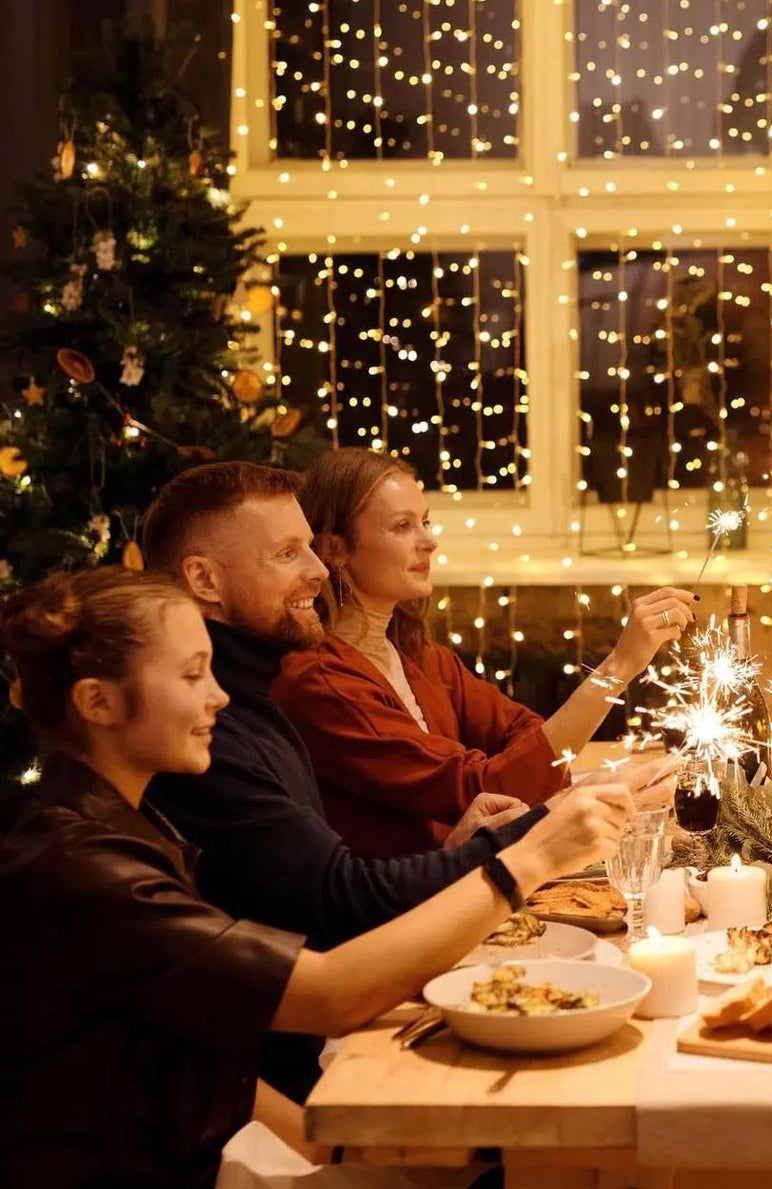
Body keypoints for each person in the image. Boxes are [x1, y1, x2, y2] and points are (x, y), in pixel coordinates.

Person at [0, 567, 634, 1187]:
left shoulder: (129, 824)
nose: (218, 697)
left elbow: (204, 1053)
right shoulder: (84, 867)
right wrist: (527, 860)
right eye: (192, 675)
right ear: (99, 702)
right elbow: (330, 995)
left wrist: (331, 1146)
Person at [131, 460, 625, 1103]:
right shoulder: (233, 723)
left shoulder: (276, 690)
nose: (317, 570)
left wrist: (467, 847)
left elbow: (328, 885)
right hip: (310, 1063)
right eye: (288, 552)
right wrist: (535, 845)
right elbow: (338, 910)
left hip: (337, 1027)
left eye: (310, 547)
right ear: (203, 579)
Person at [271, 447, 693, 856]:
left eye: (425, 522)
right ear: (335, 549)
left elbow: (525, 734)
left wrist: (544, 778)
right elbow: (485, 784)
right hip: (419, 894)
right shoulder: (321, 682)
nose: (429, 541)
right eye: (403, 526)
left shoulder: (417, 654)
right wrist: (619, 666)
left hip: (472, 868)